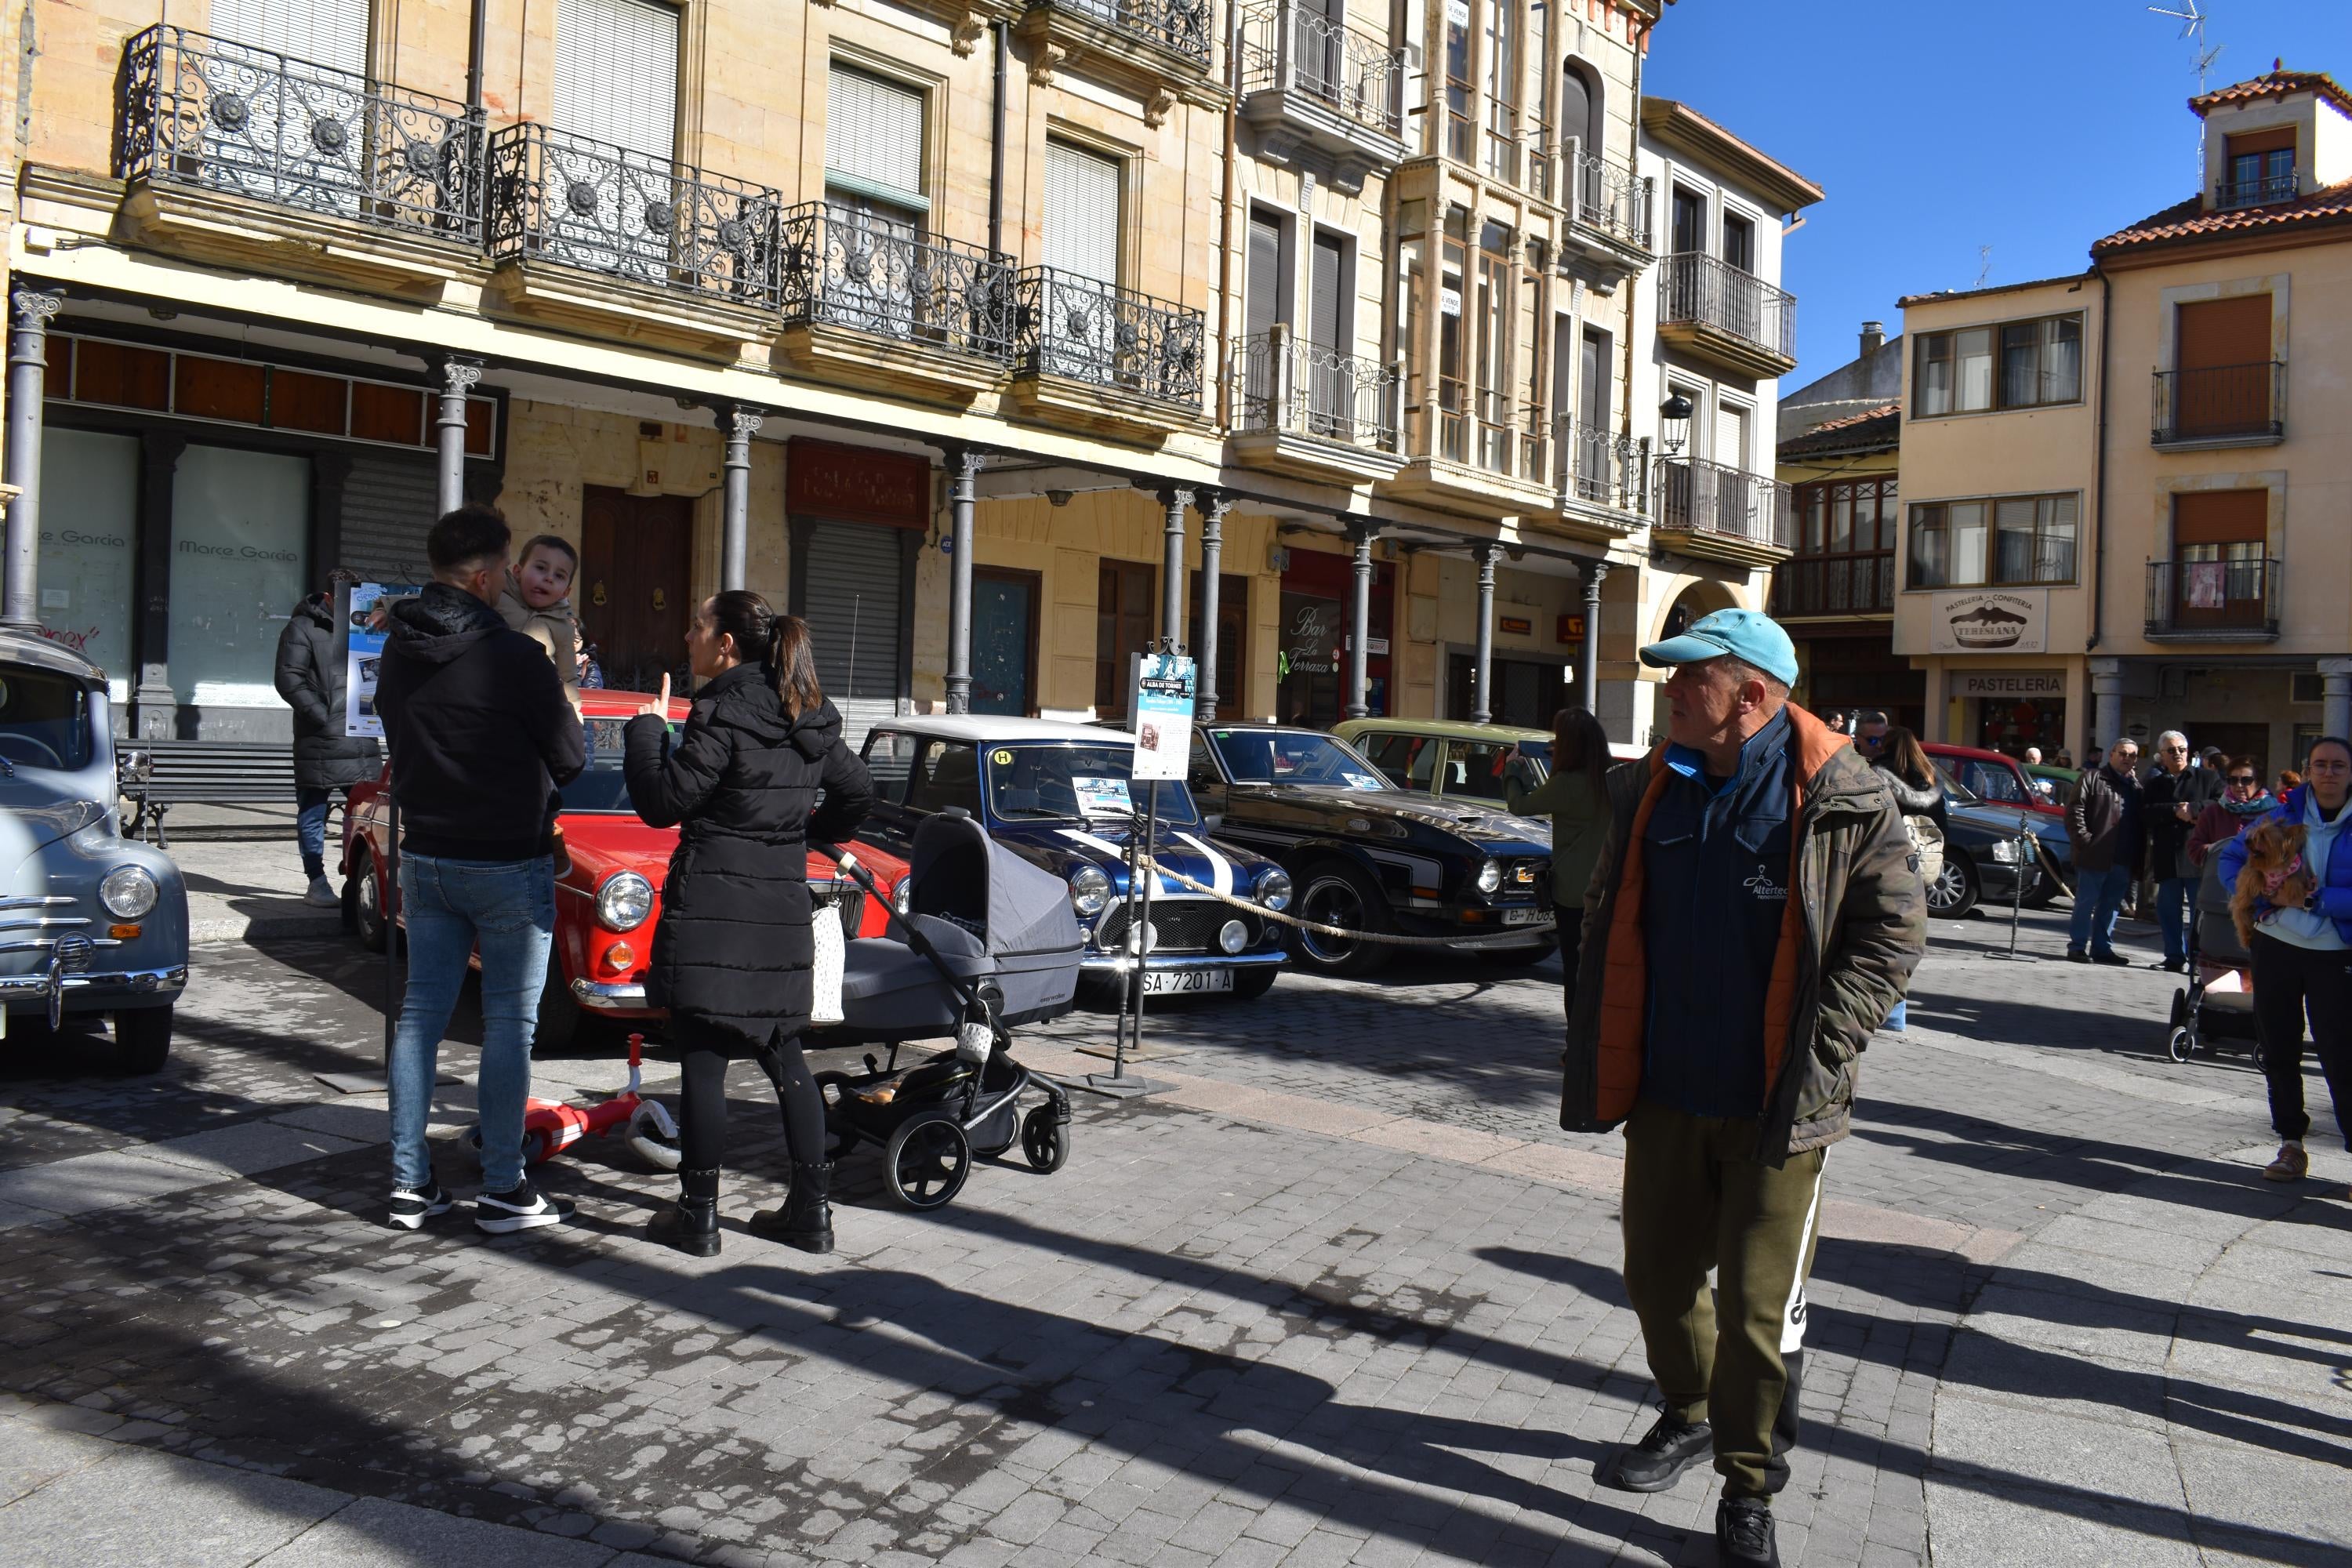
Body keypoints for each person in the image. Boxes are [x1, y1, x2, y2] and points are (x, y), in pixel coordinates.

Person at [1563, 609, 1923, 1568]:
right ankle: (1686, 1411)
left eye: (1692, 678)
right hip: (1668, 1089)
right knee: (1656, 1278)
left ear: (1752, 694)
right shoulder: (1649, 785)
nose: (1671, 692)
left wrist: (1828, 1046)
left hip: (1779, 1106)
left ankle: (1748, 1486)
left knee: (1760, 1317)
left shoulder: (1846, 793)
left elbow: (1892, 934)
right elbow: (1607, 904)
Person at [623, 592, 874, 1257]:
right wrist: (803, 833)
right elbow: (858, 791)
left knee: (704, 1061)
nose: (688, 633)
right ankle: (812, 1214)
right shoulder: (806, 713)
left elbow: (661, 801)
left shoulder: (721, 713)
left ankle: (698, 1217)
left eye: (698, 625)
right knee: (783, 1053)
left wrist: (648, 731)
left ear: (727, 644)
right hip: (778, 908)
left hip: (713, 908)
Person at [373, 505, 586, 1233]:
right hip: (505, 860)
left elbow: (396, 733)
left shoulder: (399, 646)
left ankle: (407, 1185)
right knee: (507, 1026)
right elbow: (572, 758)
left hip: (427, 854)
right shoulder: (516, 658)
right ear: (489, 573)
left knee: (420, 1019)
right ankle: (503, 1187)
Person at [2216, 738, 2352, 1190]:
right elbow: (2232, 856)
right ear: (2308, 770)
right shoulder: (2280, 815)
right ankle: (2291, 1144)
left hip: (2337, 953)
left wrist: (2317, 899)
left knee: (2341, 1054)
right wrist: (2254, 891)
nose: (2329, 773)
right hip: (2276, 945)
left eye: (2338, 765)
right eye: (2320, 765)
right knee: (2279, 1048)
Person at [273, 568, 383, 908]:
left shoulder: (366, 629)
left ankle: (358, 874)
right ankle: (316, 881)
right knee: (313, 812)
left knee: (368, 813)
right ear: (331, 597)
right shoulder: (301, 628)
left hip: (361, 740)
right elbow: (288, 679)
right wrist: (323, 717)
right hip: (320, 739)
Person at [1503, 706, 1613, 1015]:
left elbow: (1520, 805)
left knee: (1574, 967)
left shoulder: (1566, 782)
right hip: (1609, 888)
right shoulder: (1611, 776)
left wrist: (1513, 771)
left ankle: (1576, 1043)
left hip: (1573, 891)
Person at [1870, 726, 1947, 1034]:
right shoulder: (1931, 778)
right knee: (1907, 939)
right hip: (1923, 866)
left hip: (1888, 864)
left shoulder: (1878, 774)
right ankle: (1897, 1014)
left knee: (1880, 937)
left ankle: (1886, 1011)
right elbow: (1943, 826)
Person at [2143, 731, 2220, 972]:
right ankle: (2174, 957)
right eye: (2171, 750)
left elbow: (2221, 803)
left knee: (2200, 914)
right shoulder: (2155, 782)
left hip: (2198, 858)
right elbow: (2145, 813)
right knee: (2167, 911)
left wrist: (2194, 809)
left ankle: (2198, 959)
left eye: (2181, 749)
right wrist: (2175, 810)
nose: (2177, 754)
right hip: (2168, 858)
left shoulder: (2208, 778)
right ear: (2162, 755)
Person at [2064, 741, 2143, 965]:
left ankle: (2102, 948)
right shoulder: (2092, 778)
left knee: (2111, 906)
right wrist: (2085, 841)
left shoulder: (2136, 787)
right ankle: (2077, 947)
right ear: (2112, 755)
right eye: (2123, 754)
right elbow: (2074, 811)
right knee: (2085, 903)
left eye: (2133, 755)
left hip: (2123, 857)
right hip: (2094, 854)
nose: (2127, 758)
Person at [499, 533, 583, 691]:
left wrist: (573, 716)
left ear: (566, 592)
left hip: (533, 707)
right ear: (518, 572)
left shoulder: (563, 626)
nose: (549, 578)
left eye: (559, 575)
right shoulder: (497, 597)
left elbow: (568, 680)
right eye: (540, 568)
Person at [2187, 757, 2273, 871]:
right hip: (2221, 880)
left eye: (2246, 780)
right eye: (2233, 780)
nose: (2239, 785)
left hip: (2263, 881)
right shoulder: (2212, 813)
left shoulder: (2274, 812)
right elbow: (2194, 849)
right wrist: (2220, 850)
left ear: (2258, 783)